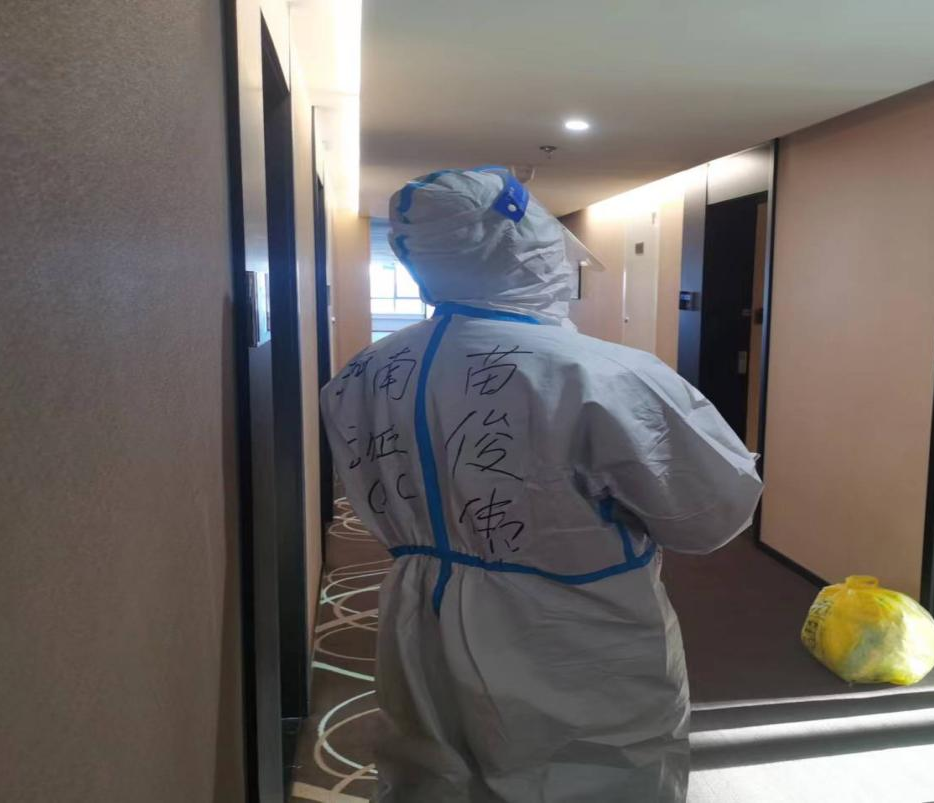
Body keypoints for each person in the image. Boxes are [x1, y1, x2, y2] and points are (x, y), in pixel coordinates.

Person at [321, 166, 763, 801]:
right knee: (591, 777)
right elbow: (709, 517)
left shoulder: (365, 370)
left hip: (416, 611)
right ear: (524, 245)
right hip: (568, 629)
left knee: (433, 769)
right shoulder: (606, 374)